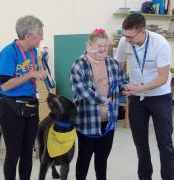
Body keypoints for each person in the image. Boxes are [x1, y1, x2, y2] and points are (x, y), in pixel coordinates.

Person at [115, 13, 174, 180]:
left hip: (159, 96)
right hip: (136, 98)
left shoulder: (160, 43)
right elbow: (118, 67)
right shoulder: (124, 41)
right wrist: (118, 84)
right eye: (124, 35)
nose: (126, 40)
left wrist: (141, 87)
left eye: (130, 36)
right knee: (140, 143)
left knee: (165, 142)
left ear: (142, 31)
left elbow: (163, 78)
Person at [70, 28, 127, 180]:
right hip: (87, 121)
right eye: (99, 46)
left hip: (109, 121)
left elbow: (122, 83)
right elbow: (80, 90)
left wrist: (129, 87)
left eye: (105, 46)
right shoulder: (79, 65)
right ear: (89, 45)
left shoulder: (112, 63)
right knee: (84, 157)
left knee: (102, 158)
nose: (103, 49)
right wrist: (101, 99)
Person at [0, 15, 48, 180]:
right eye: (40, 34)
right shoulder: (8, 52)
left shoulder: (34, 52)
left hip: (30, 105)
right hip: (11, 108)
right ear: (28, 35)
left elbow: (35, 71)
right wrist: (31, 74)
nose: (42, 37)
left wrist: (41, 72)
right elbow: (5, 85)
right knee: (14, 153)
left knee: (28, 152)